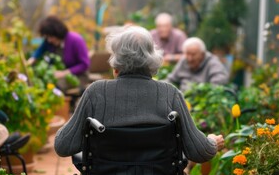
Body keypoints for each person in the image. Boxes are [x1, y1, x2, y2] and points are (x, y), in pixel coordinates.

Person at [55, 26, 224, 163]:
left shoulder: (96, 92)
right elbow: (199, 152)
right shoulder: (169, 94)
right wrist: (211, 142)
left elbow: (63, 146)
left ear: (116, 62)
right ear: (152, 58)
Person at [28, 16, 90, 90]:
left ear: (57, 33)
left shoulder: (76, 40)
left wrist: (64, 73)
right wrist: (29, 62)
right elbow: (39, 51)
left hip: (78, 76)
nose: (49, 40)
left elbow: (84, 64)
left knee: (54, 85)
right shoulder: (49, 42)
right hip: (58, 74)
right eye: (47, 37)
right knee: (41, 82)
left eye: (51, 37)